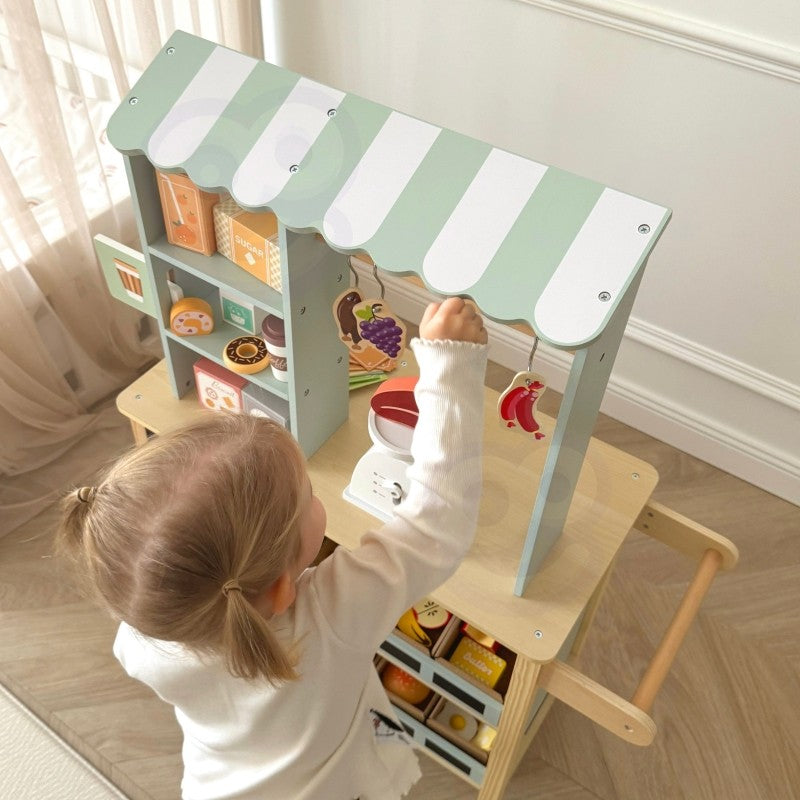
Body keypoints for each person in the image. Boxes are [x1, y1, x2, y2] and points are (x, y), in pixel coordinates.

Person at [57, 297, 489, 800]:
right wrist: (450, 364)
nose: (315, 496)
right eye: (308, 495)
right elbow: (438, 520)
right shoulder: (331, 615)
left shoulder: (143, 633)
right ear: (283, 588)